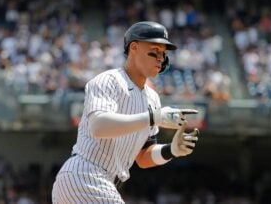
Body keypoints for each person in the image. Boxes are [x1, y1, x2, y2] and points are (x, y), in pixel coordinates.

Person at [52, 21, 200, 204]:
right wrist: (154, 117)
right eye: (154, 50)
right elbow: (99, 126)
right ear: (134, 48)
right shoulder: (109, 81)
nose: (160, 58)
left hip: (100, 182)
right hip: (85, 175)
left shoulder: (152, 98)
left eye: (164, 53)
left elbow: (143, 157)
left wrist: (172, 150)